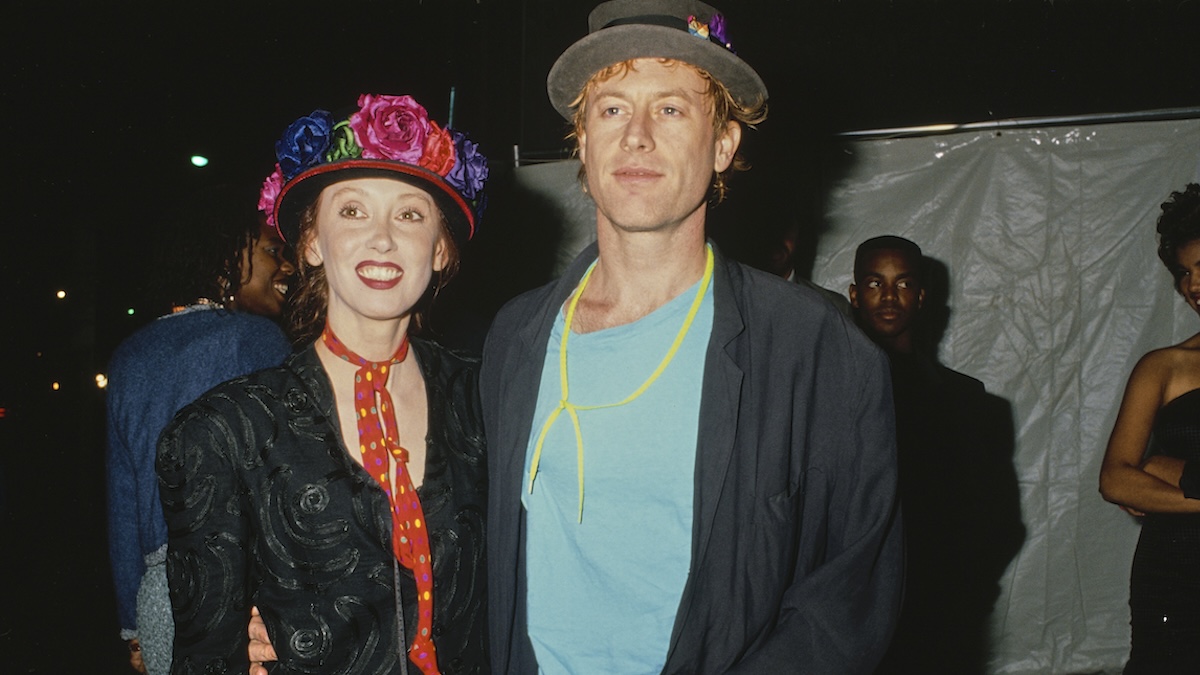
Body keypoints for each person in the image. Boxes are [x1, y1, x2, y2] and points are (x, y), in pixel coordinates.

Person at [480, 1, 903, 672]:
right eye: (612, 109)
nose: (637, 136)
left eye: (672, 109)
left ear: (724, 145)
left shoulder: (814, 346)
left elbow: (848, 595)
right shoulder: (516, 336)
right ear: (583, 142)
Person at [158, 93, 490, 674]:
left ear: (440, 249)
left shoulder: (491, 398)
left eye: (410, 214)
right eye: (353, 211)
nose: (382, 238)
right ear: (311, 242)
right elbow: (205, 657)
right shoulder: (222, 432)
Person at [106, 185, 294, 675]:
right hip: (245, 593)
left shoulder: (130, 356)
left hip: (161, 598)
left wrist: (134, 631)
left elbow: (124, 503)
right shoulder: (257, 342)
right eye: (272, 251)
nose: (287, 267)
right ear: (227, 260)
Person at [850, 235, 1023, 673]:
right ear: (854, 295)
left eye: (903, 284)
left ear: (922, 296)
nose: (889, 297)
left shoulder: (967, 400)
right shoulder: (824, 395)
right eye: (874, 283)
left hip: (937, 617)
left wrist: (962, 593)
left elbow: (996, 519)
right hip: (844, 615)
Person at [1100, 183, 1200, 674]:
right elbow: (1117, 480)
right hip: (1173, 581)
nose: (1193, 285)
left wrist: (1166, 471)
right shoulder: (1163, 366)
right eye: (1184, 272)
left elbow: (1145, 474)